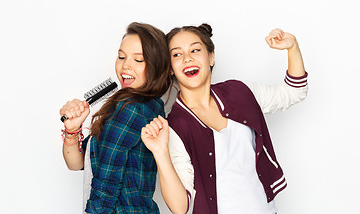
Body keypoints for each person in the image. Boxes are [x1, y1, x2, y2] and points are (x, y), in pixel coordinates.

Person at [141, 24, 308, 214]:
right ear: (170, 68)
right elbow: (180, 208)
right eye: (177, 55)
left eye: (195, 50)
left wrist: (292, 47)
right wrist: (160, 152)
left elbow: (295, 92)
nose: (187, 58)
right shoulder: (175, 126)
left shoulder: (241, 92)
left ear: (211, 57)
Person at [59, 22, 171, 214]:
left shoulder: (131, 109)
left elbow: (105, 188)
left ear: (157, 66)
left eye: (139, 60)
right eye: (121, 56)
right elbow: (76, 163)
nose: (125, 65)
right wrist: (72, 129)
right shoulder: (149, 107)